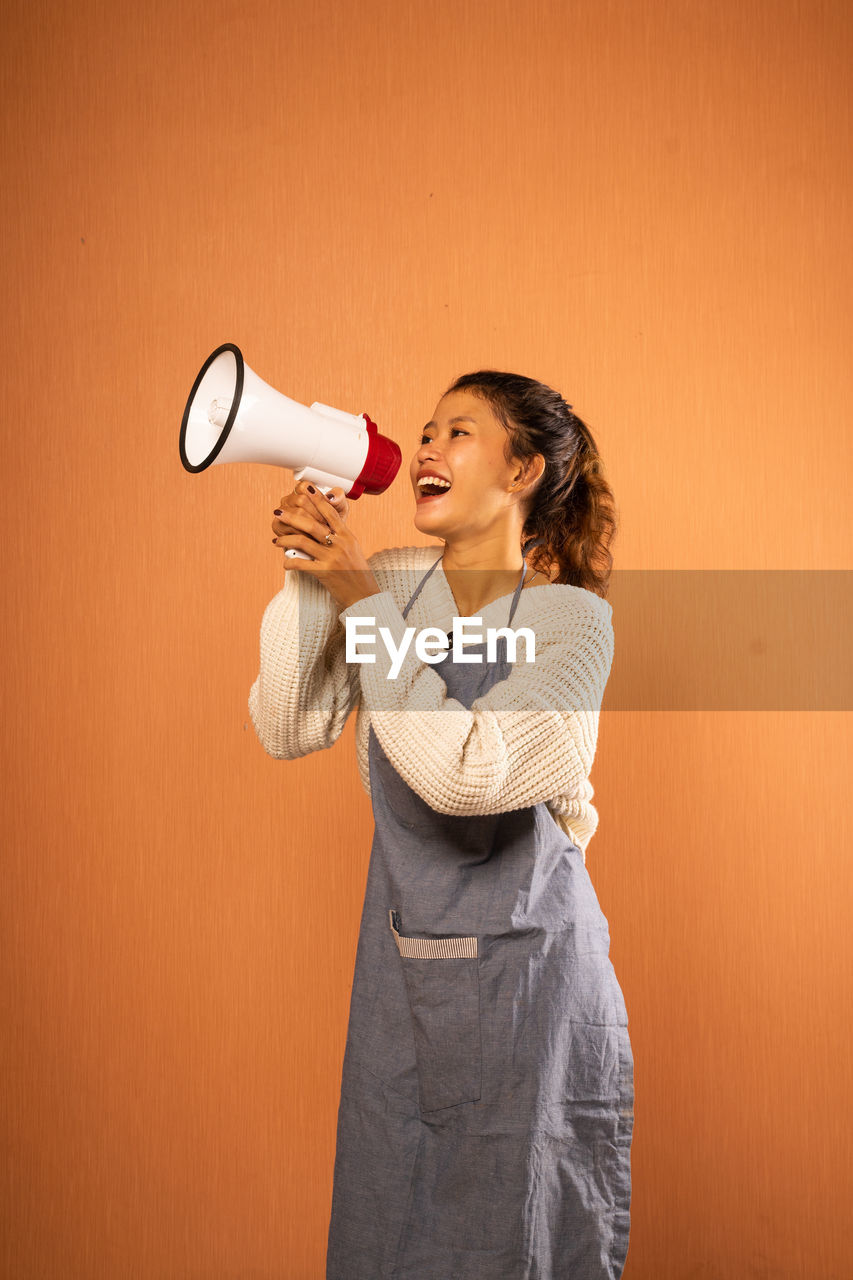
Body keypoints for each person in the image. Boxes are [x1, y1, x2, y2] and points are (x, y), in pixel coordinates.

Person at [249, 370, 633, 1279]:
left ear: (524, 470)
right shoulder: (386, 586)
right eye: (423, 431)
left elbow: (469, 775)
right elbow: (287, 723)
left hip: (530, 982)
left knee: (521, 1240)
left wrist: (362, 603)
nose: (425, 447)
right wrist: (314, 577)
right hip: (408, 974)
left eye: (458, 432)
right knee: (393, 1227)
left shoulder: (567, 624)